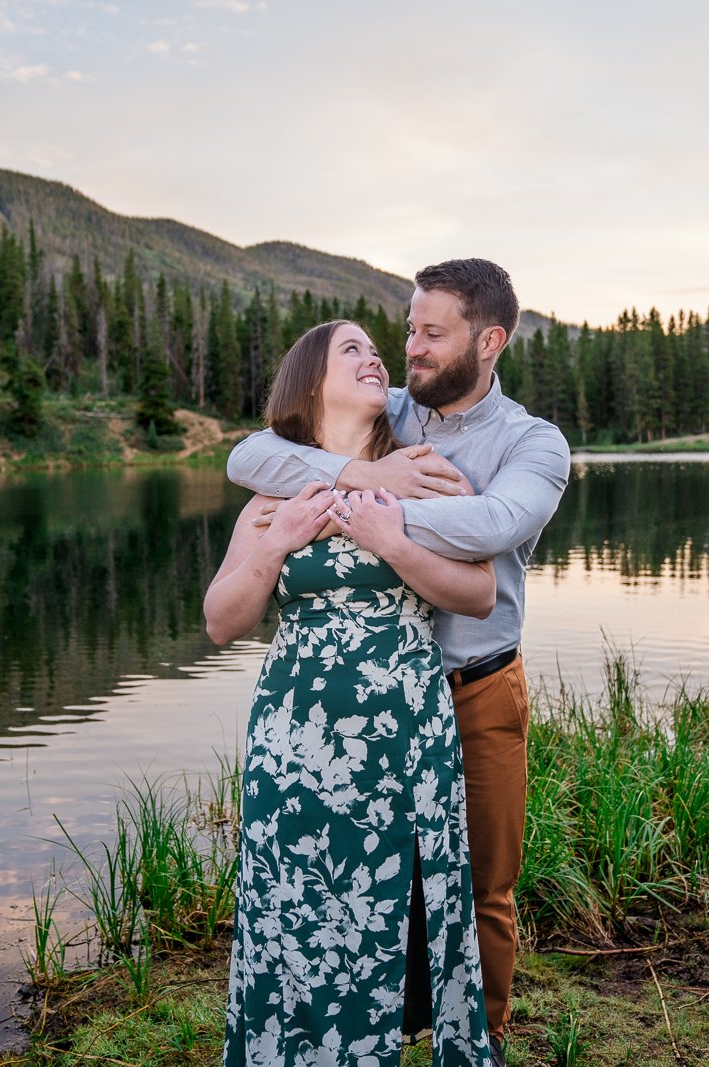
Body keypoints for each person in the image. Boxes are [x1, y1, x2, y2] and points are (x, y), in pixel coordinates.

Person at [227, 259, 571, 1065]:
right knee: (357, 882)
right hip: (367, 703)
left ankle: (478, 1035)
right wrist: (362, 472)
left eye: (431, 332)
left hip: (474, 688)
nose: (408, 346)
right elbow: (252, 457)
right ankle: (363, 1032)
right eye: (408, 327)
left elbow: (489, 527)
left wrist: (370, 513)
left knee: (478, 885)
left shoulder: (532, 442)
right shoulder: (392, 413)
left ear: (489, 341)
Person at [206, 320, 497, 1066]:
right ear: (311, 381)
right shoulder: (273, 494)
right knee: (296, 903)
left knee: (393, 899)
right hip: (296, 738)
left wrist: (392, 539)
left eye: (378, 348)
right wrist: (276, 543)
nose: (376, 358)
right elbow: (220, 620)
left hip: (403, 731)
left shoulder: (425, 472)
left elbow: (480, 592)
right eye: (353, 350)